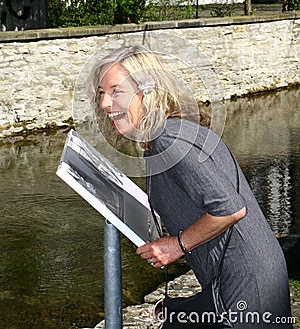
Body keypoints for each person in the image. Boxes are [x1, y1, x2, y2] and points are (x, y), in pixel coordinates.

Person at [90, 45, 293, 328]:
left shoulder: (167, 137)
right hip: (243, 273)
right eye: (101, 93)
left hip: (246, 280)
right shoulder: (163, 135)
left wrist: (176, 245)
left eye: (116, 91)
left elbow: (230, 209)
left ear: (147, 92)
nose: (104, 103)